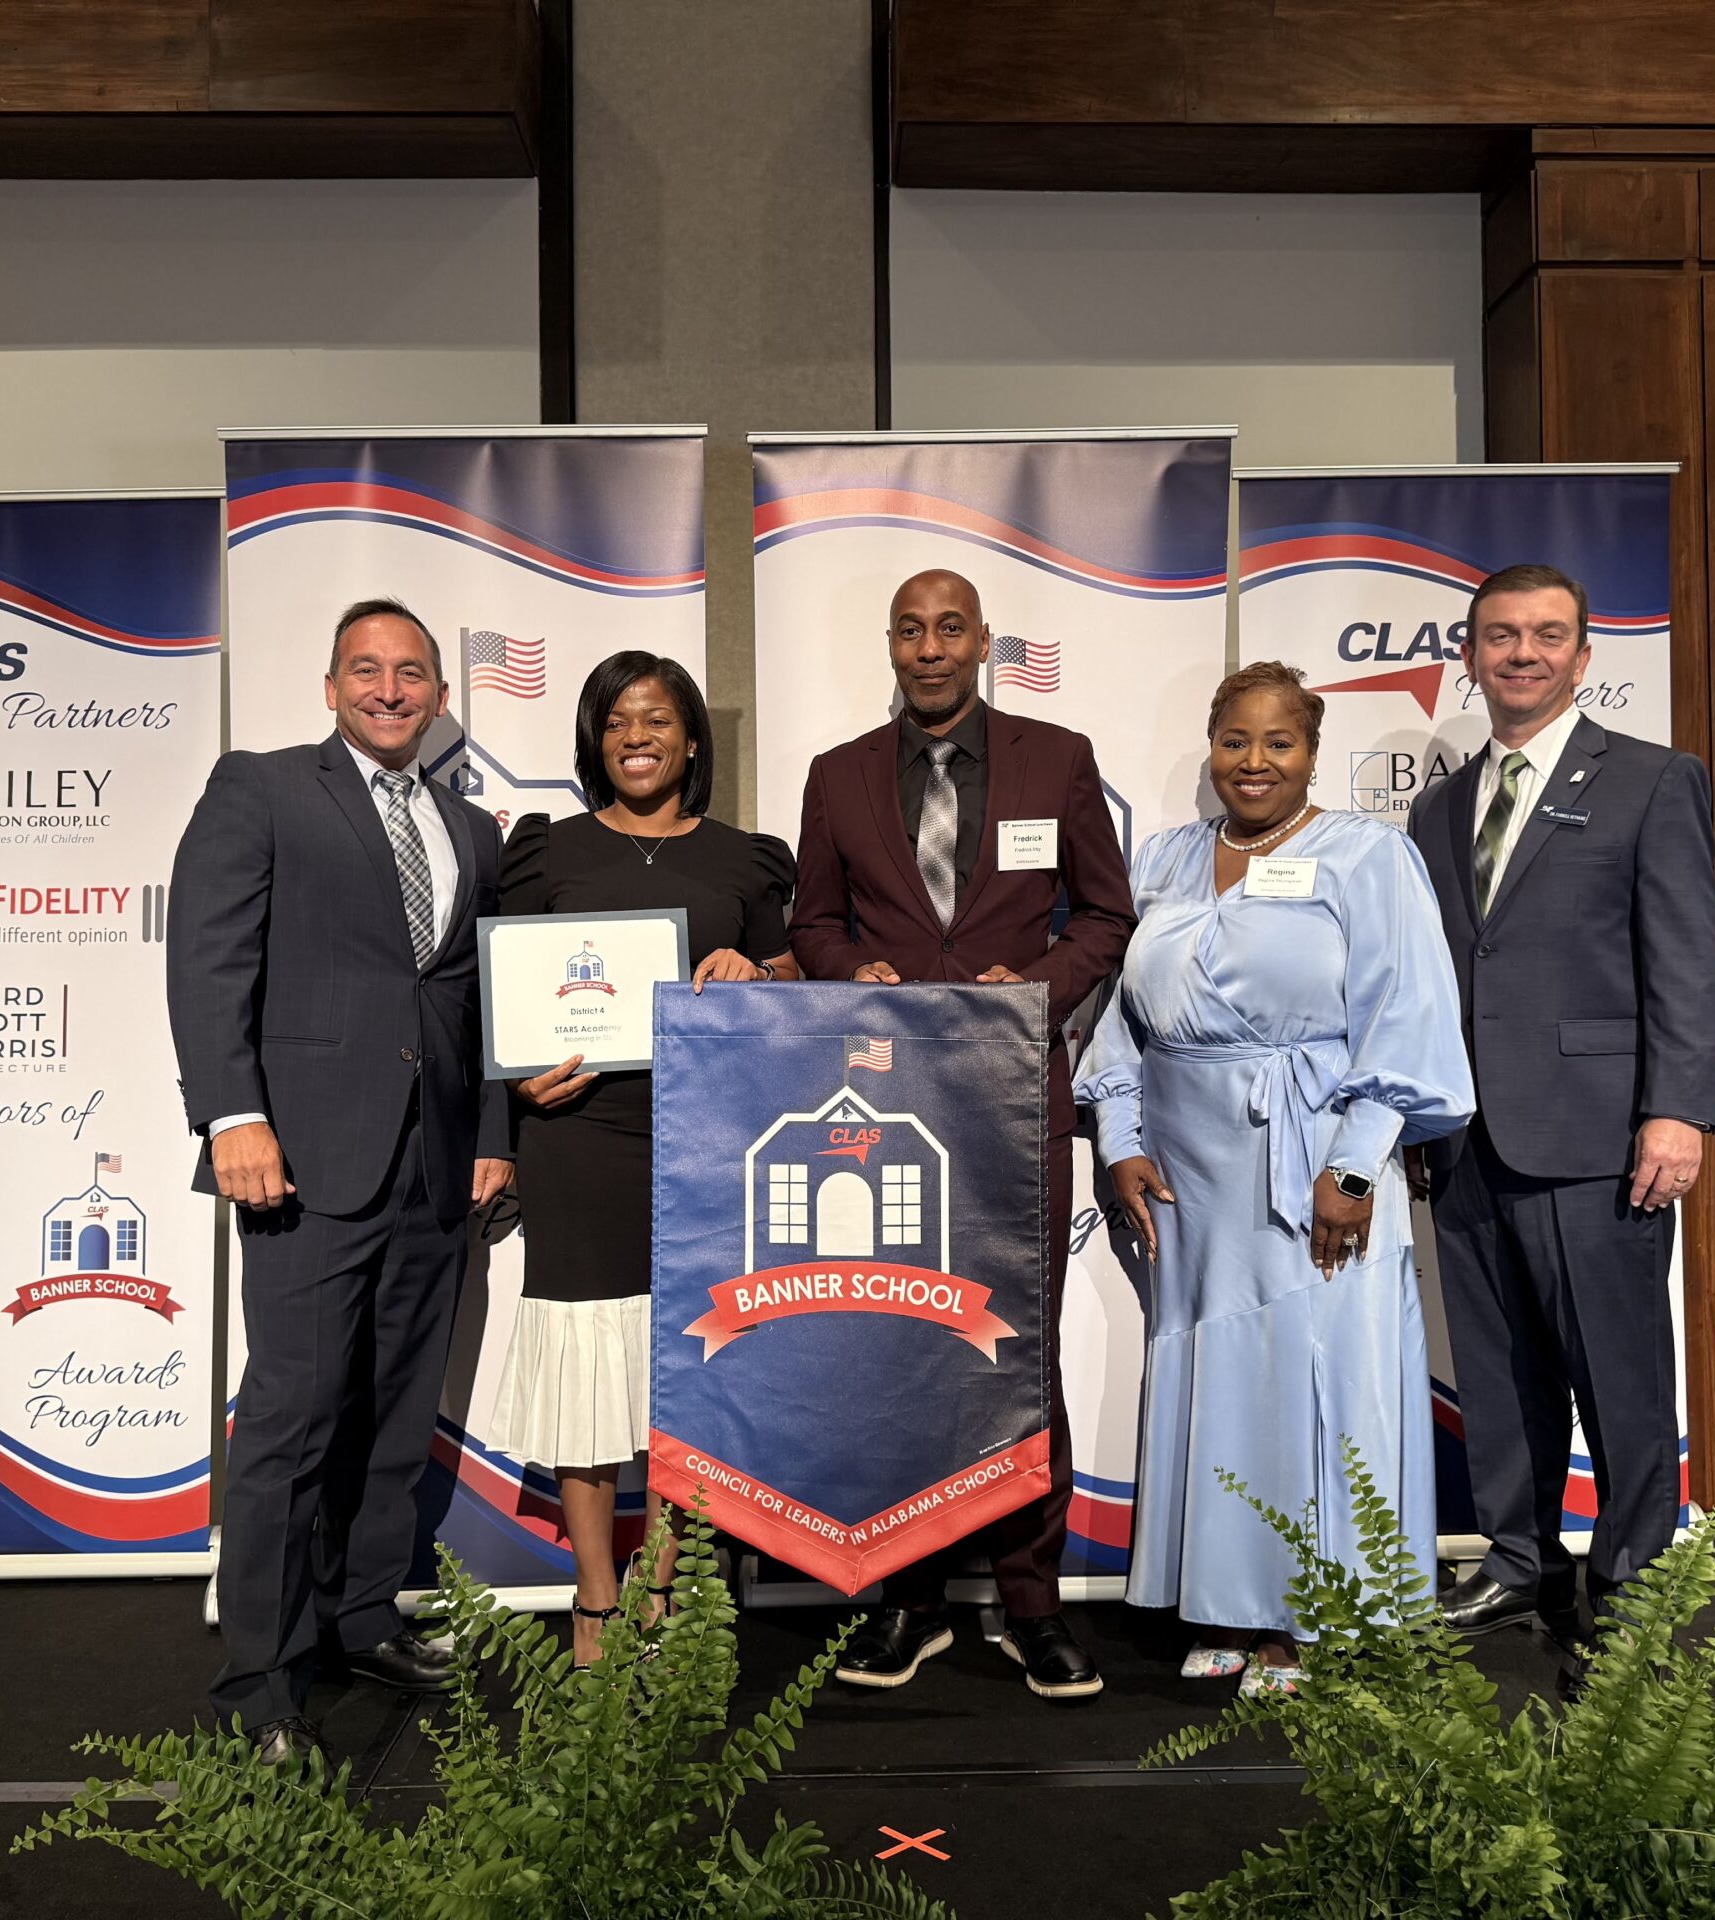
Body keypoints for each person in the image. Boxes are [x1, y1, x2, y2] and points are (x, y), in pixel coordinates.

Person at [1076, 662, 1473, 1695]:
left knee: (1309, 1380)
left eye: (1279, 743)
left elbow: (1408, 1014)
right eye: (1234, 741)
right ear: (1210, 746)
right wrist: (1120, 1134)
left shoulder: (1368, 857)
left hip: (1309, 1161)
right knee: (1217, 1385)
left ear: (1312, 751)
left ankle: (1303, 1617)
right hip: (1187, 1172)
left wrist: (1353, 1164)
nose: (1254, 763)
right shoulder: (1161, 858)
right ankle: (1221, 1600)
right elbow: (1119, 1017)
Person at [167, 597, 513, 1766]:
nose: (389, 688)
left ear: (439, 696)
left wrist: (493, 1131)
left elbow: (479, 1000)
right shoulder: (261, 788)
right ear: (329, 686)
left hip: (431, 1168)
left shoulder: (474, 833)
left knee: (393, 1418)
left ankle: (362, 1619)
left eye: (412, 673)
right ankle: (260, 1682)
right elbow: (210, 958)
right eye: (366, 670)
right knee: (290, 1422)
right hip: (302, 1163)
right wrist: (232, 1115)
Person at [789, 566, 1135, 1702]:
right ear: (887, 644)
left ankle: (1030, 1606)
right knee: (897, 1350)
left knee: (1015, 1350)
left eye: (949, 628)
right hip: (882, 1101)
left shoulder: (1056, 757)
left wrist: (1031, 990)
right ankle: (909, 1602)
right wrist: (858, 975)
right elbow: (814, 922)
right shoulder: (837, 777)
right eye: (909, 629)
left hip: (1008, 1097)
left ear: (983, 640)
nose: (930, 648)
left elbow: (1105, 915)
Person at [1404, 562, 1715, 1666]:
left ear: (1584, 658)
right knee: (1494, 1373)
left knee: (1618, 1372)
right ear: (1471, 654)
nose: (1522, 653)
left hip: (1600, 1136)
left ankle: (1631, 1587)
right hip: (1462, 1134)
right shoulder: (1438, 805)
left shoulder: (1650, 779)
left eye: (1546, 636)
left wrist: (1676, 1111)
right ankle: (1516, 1561)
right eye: (1500, 636)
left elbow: (1687, 961)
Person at [483, 652, 799, 1664]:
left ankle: (662, 1586)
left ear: (691, 739)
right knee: (587, 1366)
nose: (635, 736)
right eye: (615, 720)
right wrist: (517, 1084)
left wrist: (753, 969)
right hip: (573, 1137)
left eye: (656, 718)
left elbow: (794, 978)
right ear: (594, 740)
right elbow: (495, 994)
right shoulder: (543, 850)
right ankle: (594, 1597)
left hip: (707, 1138)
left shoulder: (745, 859)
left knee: (685, 1370)